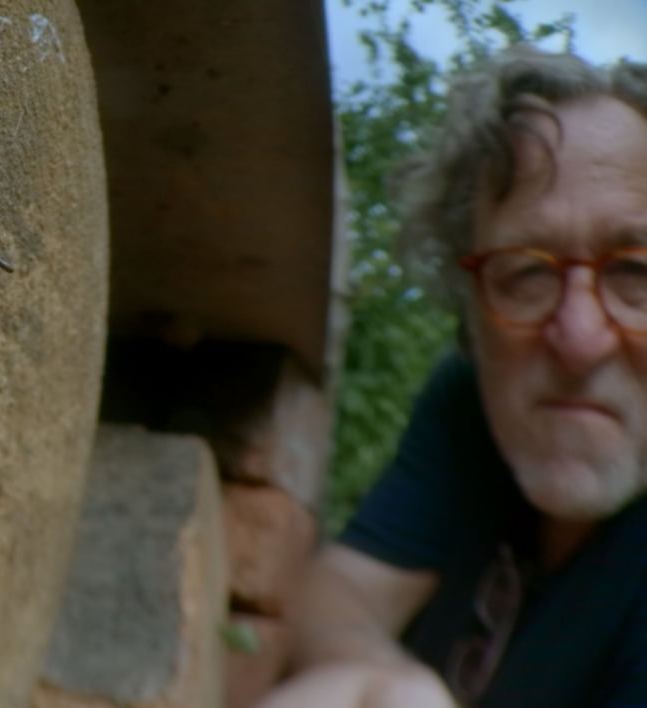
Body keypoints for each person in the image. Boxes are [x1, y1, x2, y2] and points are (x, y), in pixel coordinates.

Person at [257, 46, 647, 707]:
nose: (578, 340)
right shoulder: (469, 407)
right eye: (525, 273)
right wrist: (381, 681)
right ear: (470, 311)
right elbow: (341, 592)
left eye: (636, 271)